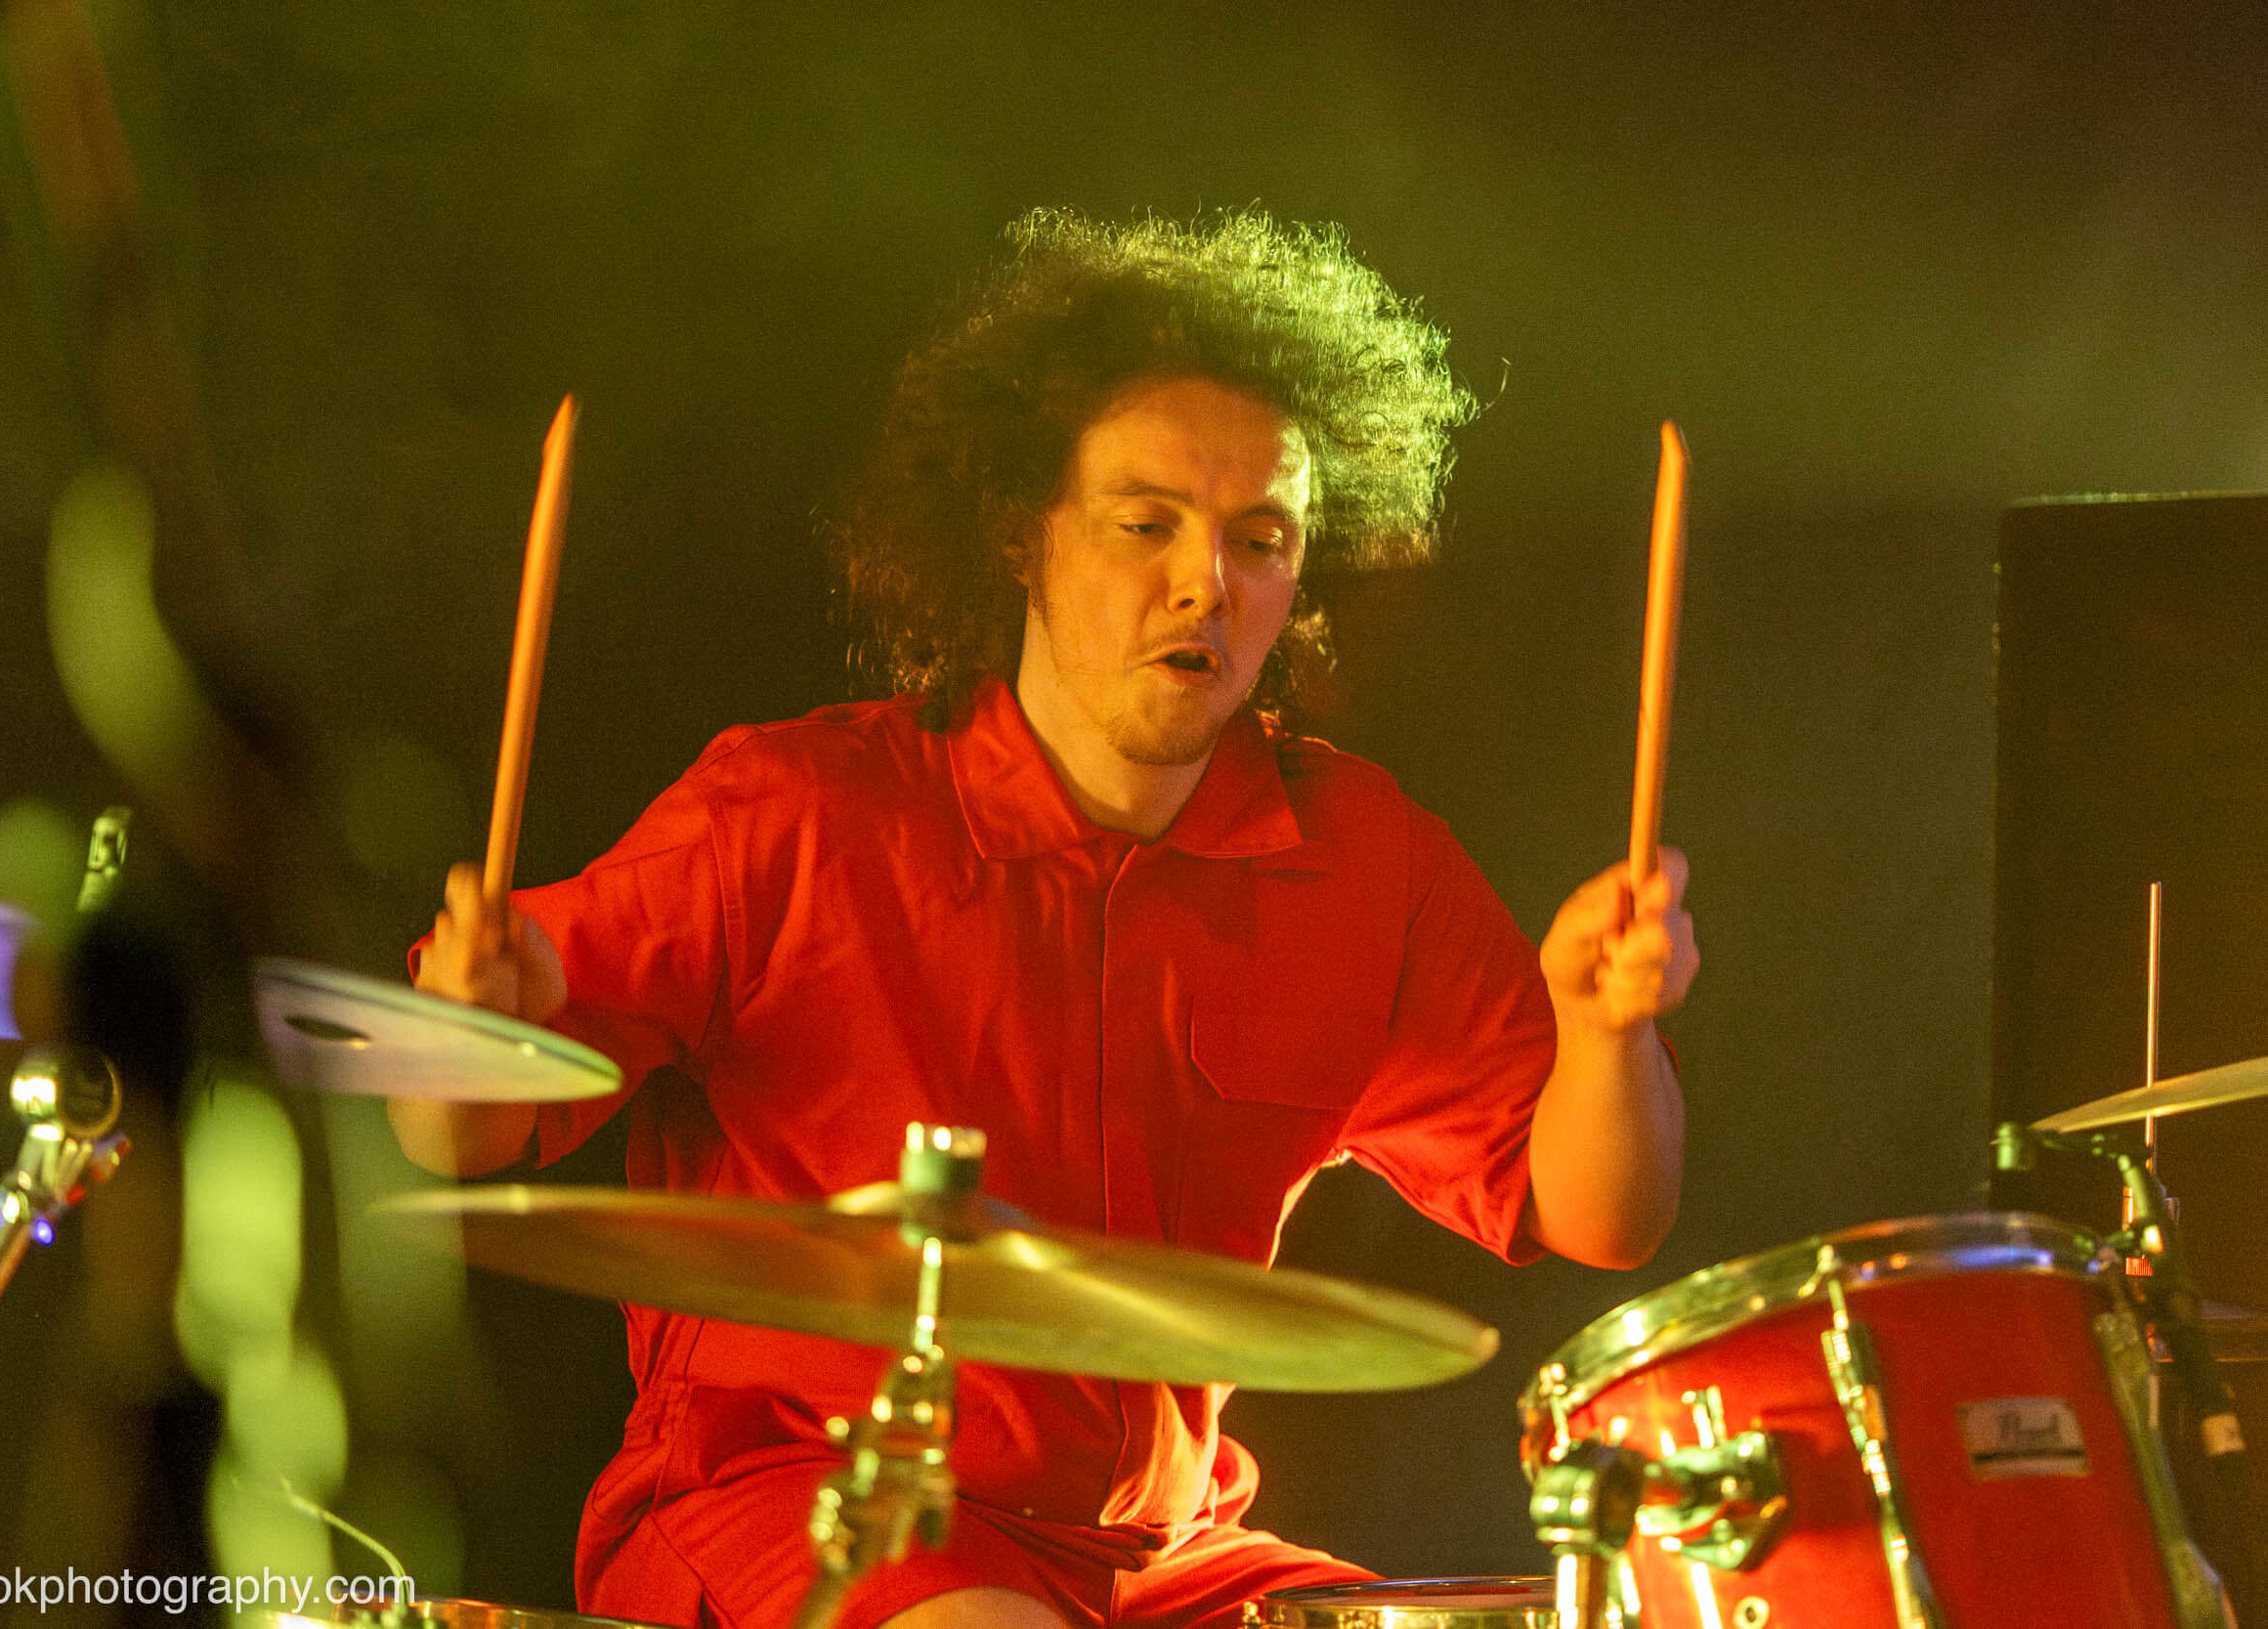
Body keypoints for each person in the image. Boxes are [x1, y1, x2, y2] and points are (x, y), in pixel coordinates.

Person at [393, 209, 1695, 1629]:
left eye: (1261, 539)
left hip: (1161, 1558)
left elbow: (1601, 1214)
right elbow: (455, 1134)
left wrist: (1606, 1032)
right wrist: (469, 1030)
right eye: (1147, 524)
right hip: (806, 1505)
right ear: (1023, 533)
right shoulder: (793, 813)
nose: (1206, 581)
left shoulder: (1363, 858)